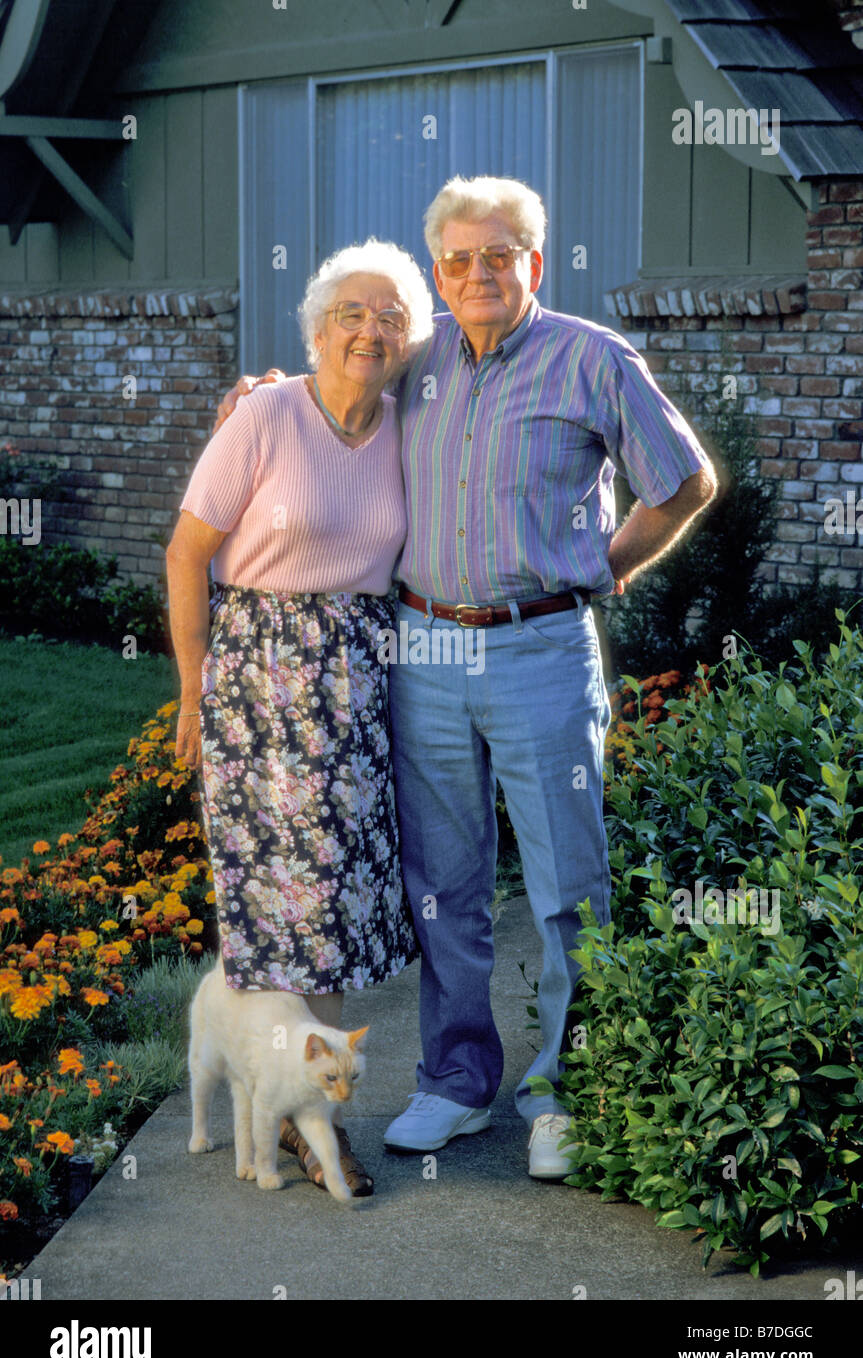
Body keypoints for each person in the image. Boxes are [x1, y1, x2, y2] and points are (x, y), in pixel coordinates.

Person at [216, 175, 717, 1180]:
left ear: (533, 262)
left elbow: (686, 481)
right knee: (445, 888)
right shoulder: (416, 356)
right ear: (436, 268)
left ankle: (565, 1091)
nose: (477, 274)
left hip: (537, 650)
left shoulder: (590, 359)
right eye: (457, 259)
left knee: (565, 884)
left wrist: (603, 567)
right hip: (424, 656)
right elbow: (337, 388)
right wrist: (263, 399)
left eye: (499, 256)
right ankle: (454, 1081)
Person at [166, 238, 434, 1195]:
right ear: (318, 326)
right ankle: (306, 1108)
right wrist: (194, 686)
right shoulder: (266, 414)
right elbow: (187, 550)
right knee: (289, 903)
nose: (370, 330)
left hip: (359, 685)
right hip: (261, 685)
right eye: (351, 314)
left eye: (390, 316)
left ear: (410, 338)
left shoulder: (409, 423)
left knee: (333, 909)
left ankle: (287, 1093)